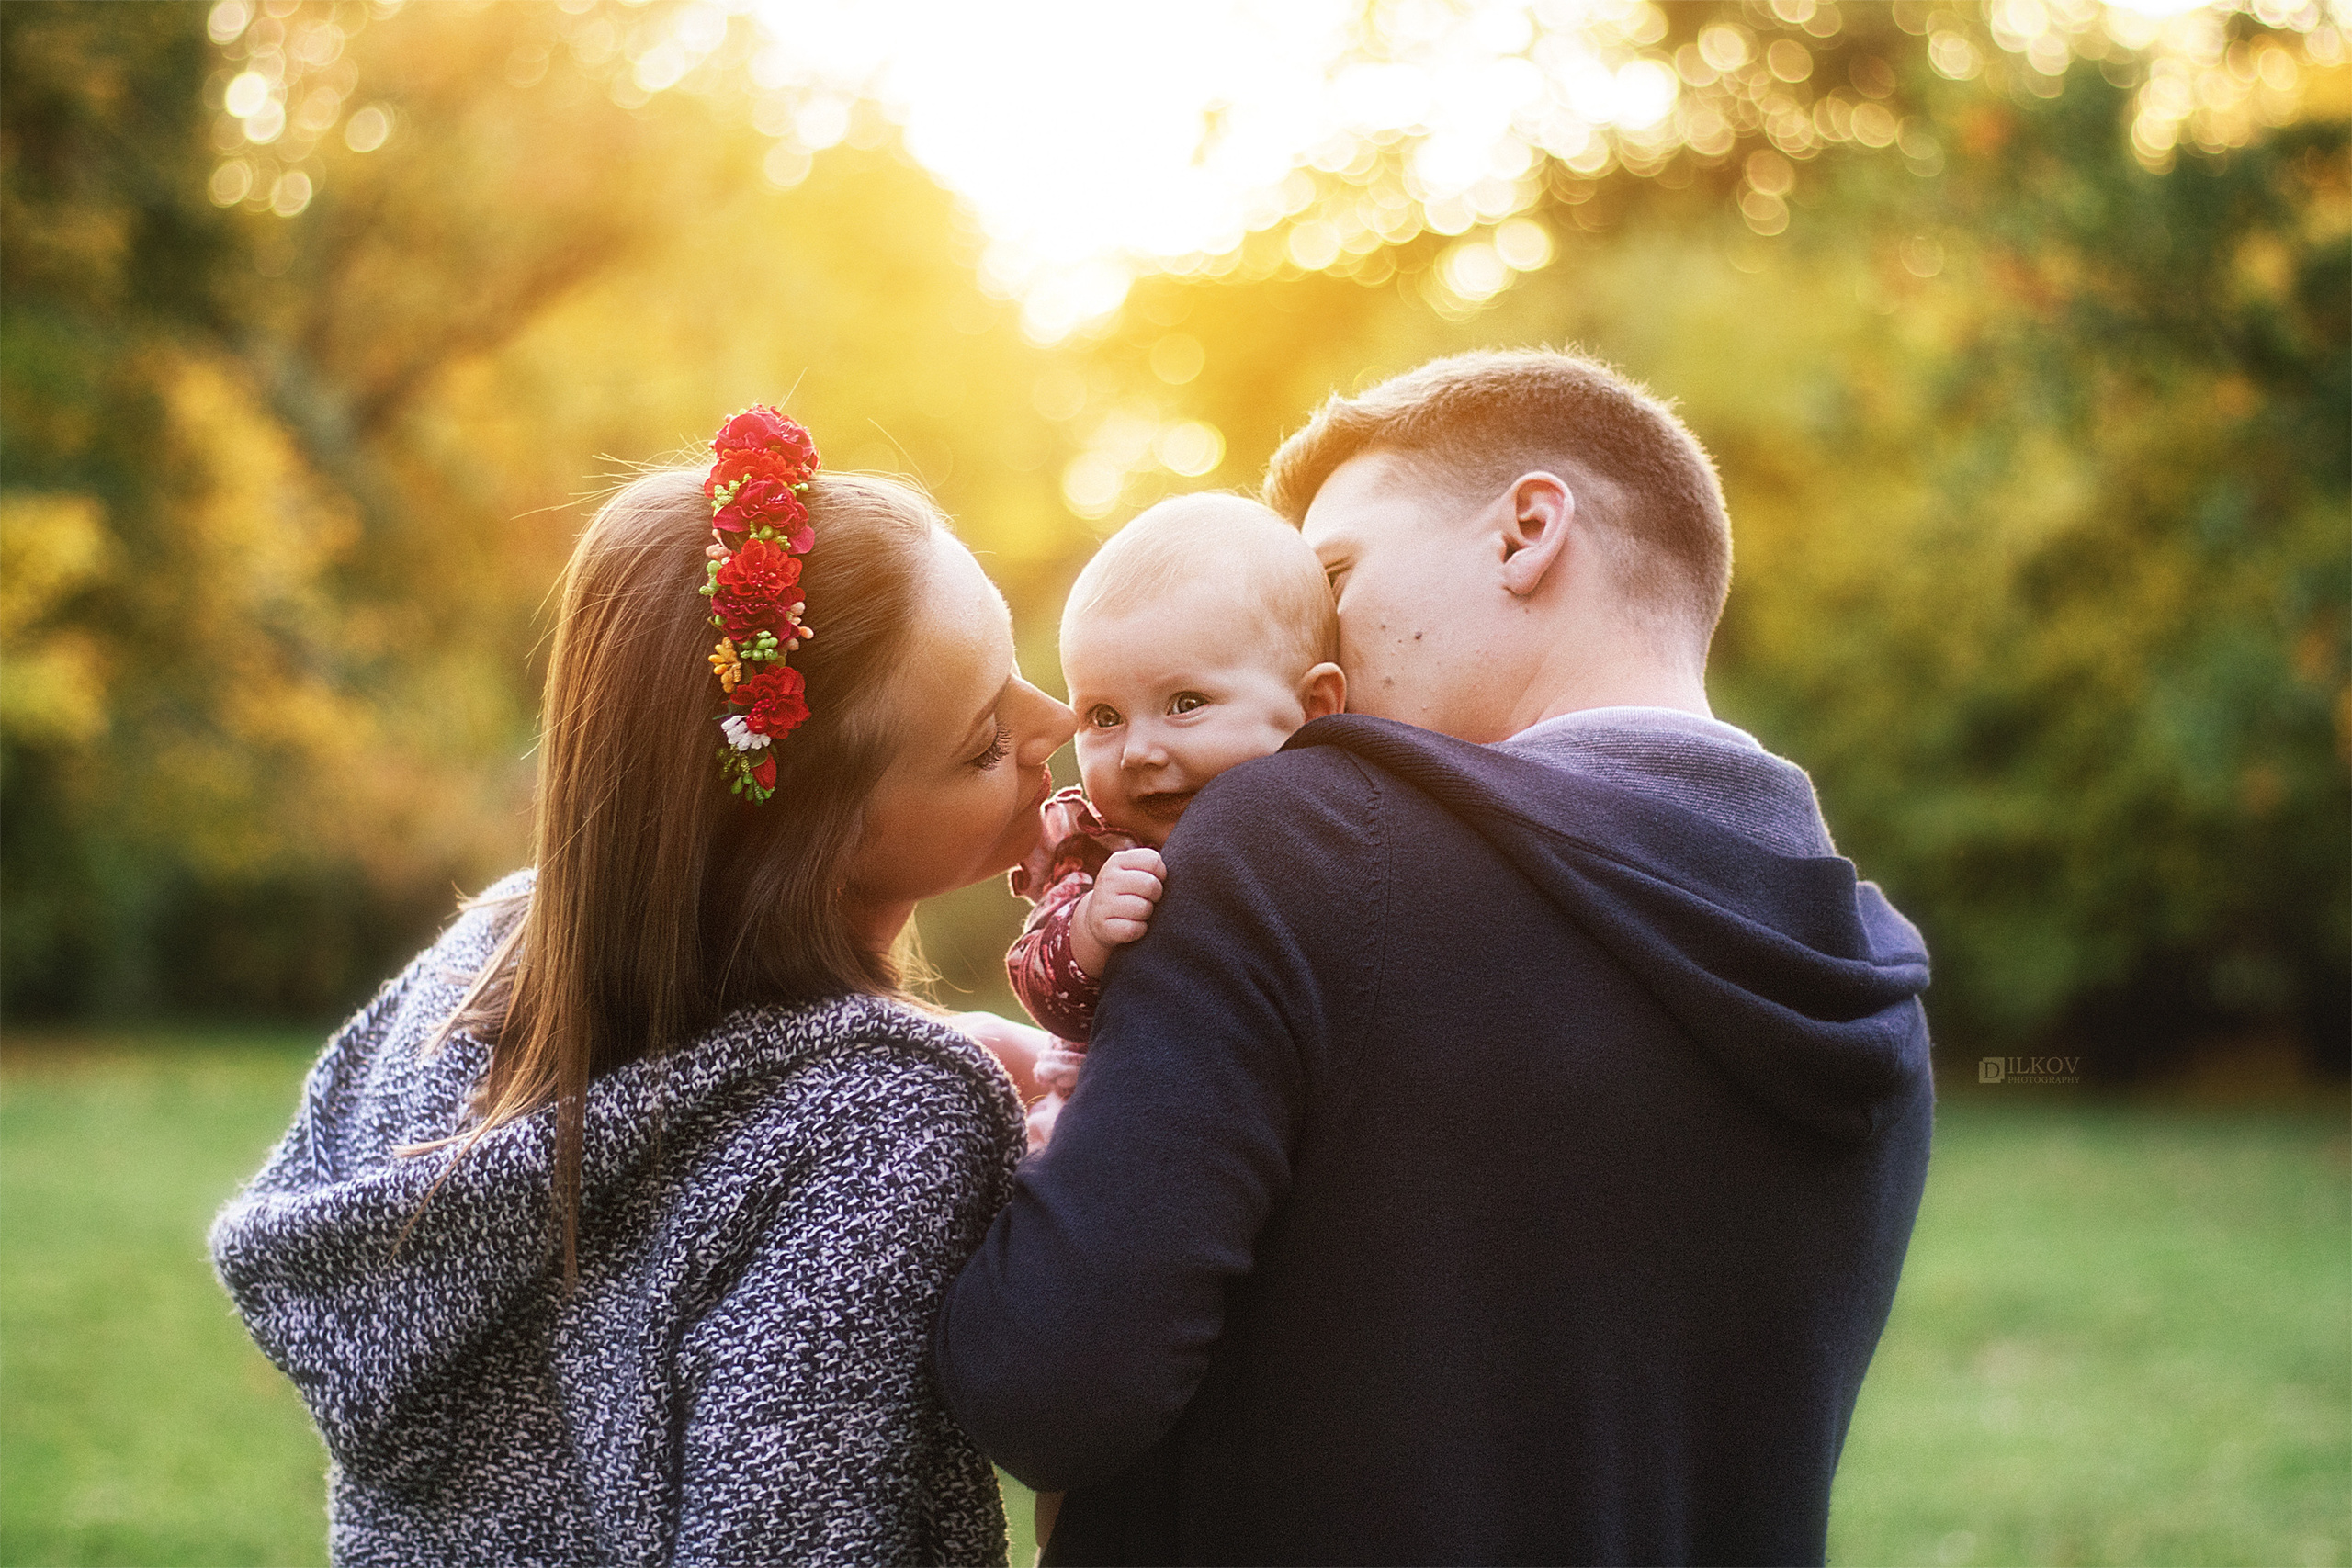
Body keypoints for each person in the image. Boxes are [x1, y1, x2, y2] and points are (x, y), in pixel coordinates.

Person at [932, 349, 1937, 1566]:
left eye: (1335, 574)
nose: (1316, 644)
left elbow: (1047, 1379)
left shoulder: (1295, 836)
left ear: (1527, 530)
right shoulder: (1868, 972)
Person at [210, 407, 1077, 1566]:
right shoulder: (883, 1123)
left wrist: (924, 1045)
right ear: (807, 845)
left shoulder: (492, 956)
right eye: (982, 742)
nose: (1058, 722)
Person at [1003, 493, 1345, 1150]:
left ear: (1314, 706)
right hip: (1099, 1134)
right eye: (1104, 717)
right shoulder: (1097, 850)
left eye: (1185, 704)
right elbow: (1037, 978)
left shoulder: (1341, 831)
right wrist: (1087, 931)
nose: (1139, 751)